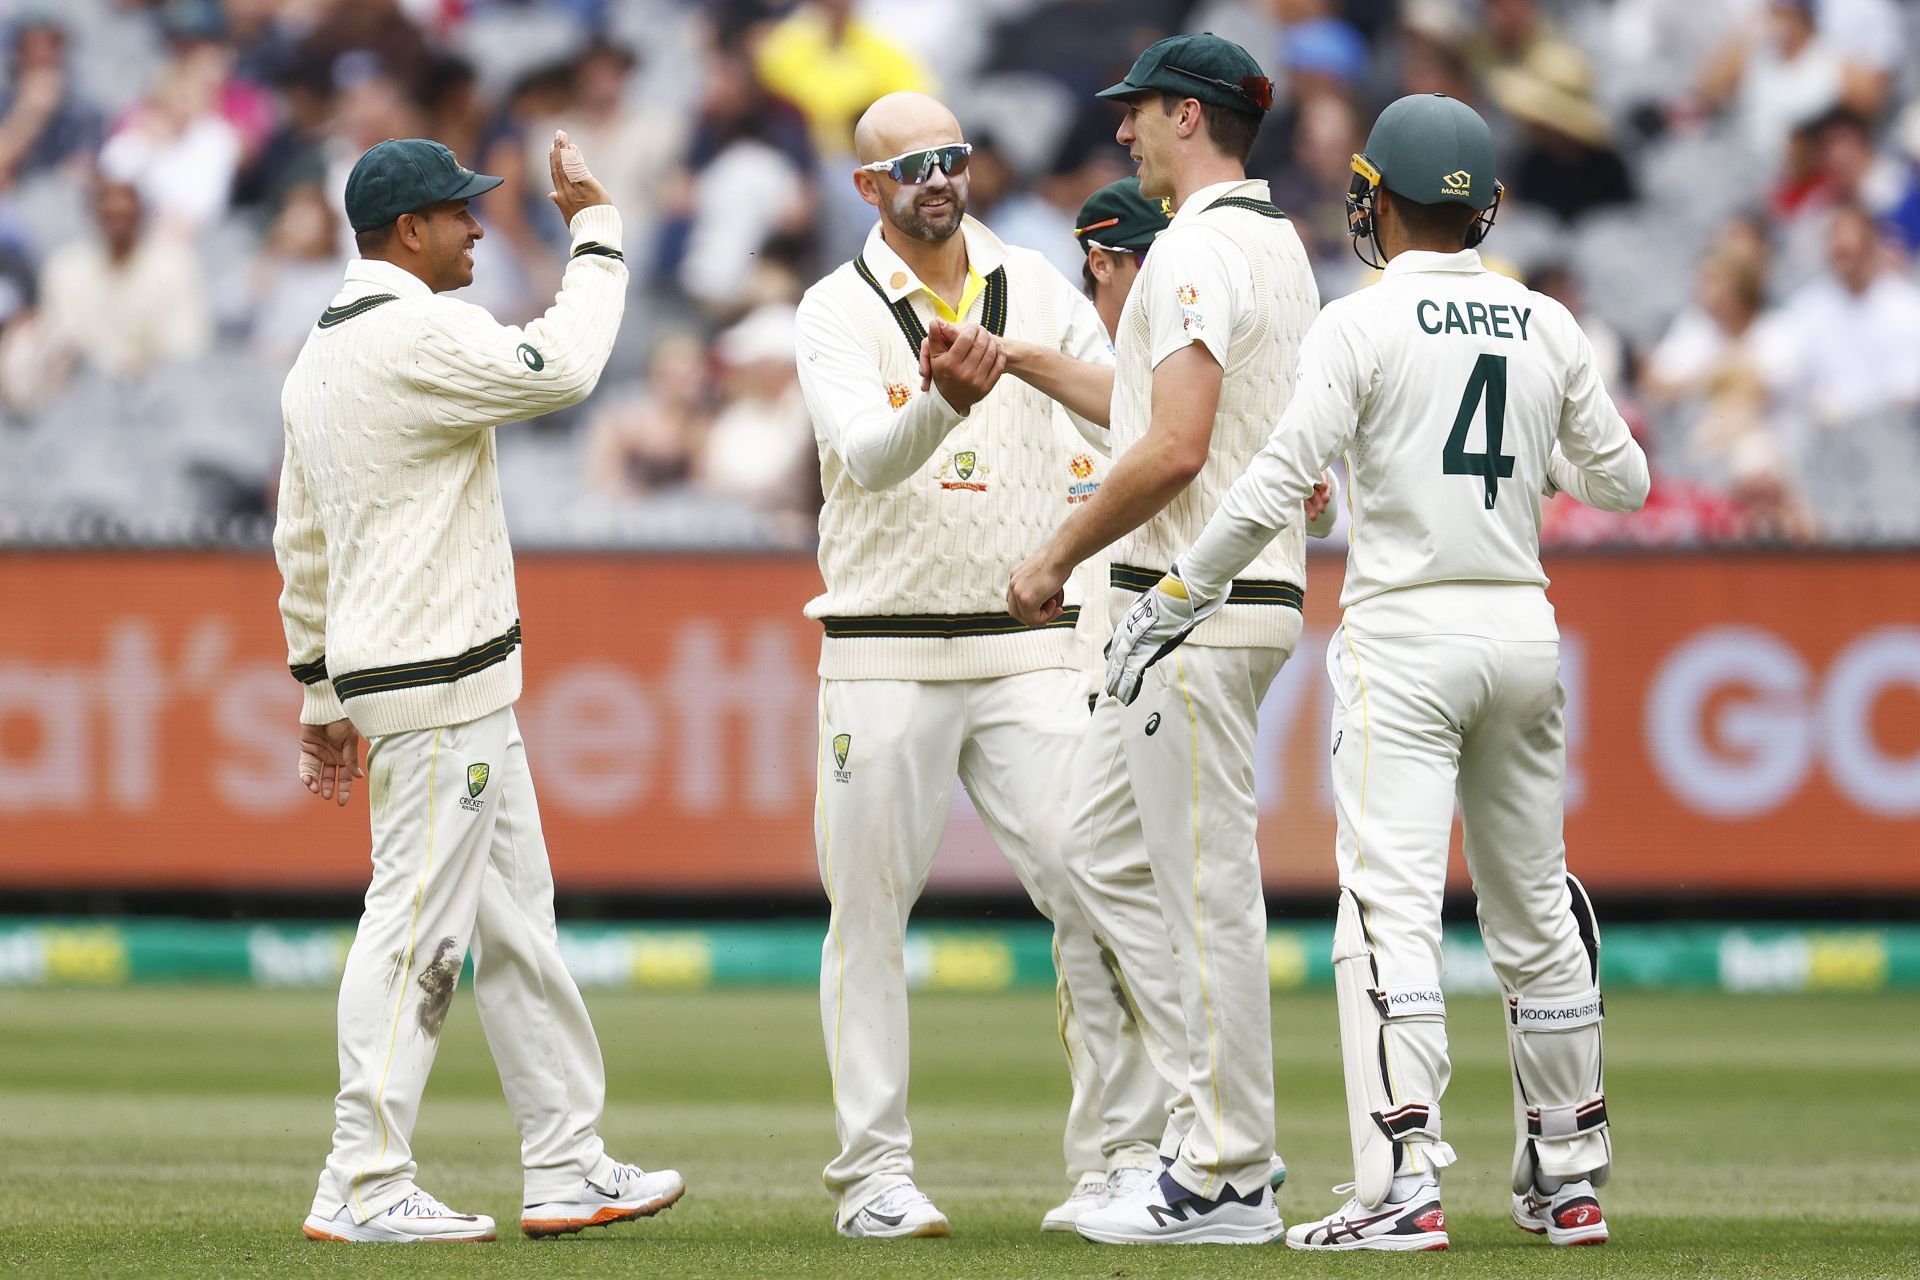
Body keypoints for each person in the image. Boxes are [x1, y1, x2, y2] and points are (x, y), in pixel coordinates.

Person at [1103, 92, 1647, 1252]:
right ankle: (1571, 1176)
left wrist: (1176, 594)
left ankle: (1402, 1181)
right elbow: (1625, 483)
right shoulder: (1545, 322)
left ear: (1374, 198)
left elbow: (1266, 486)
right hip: (1520, 629)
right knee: (1537, 905)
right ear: (1486, 208)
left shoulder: (1358, 324)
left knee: (1387, 908)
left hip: (1405, 634)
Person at [276, 132, 683, 1244]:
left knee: (514, 930)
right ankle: (361, 1178)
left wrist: (318, 690)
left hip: (432, 675)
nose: (474, 230)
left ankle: (564, 1163)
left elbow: (299, 541)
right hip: (439, 677)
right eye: (460, 215)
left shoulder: (318, 352)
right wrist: (597, 234)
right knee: (417, 926)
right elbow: (568, 367)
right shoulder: (419, 330)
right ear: (409, 230)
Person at [792, 90, 1165, 1240]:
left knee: (1095, 883)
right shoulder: (835, 308)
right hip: (883, 645)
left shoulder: (1039, 285)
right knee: (869, 916)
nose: (938, 178)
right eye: (911, 166)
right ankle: (873, 1177)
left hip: (1026, 648)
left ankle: (1120, 1158)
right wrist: (941, 405)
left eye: (951, 157)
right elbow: (864, 454)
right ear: (869, 189)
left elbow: (1135, 414)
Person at [1005, 34, 1332, 1245]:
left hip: (1193, 601)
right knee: (1093, 849)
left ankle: (1229, 1169)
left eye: (1139, 113)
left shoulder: (1193, 247)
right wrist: (1027, 359)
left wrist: (1052, 552)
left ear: (1188, 119)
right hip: (1214, 600)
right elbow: (1188, 415)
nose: (1125, 133)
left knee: (1202, 895)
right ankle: (1201, 1122)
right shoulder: (1274, 242)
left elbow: (1175, 444)